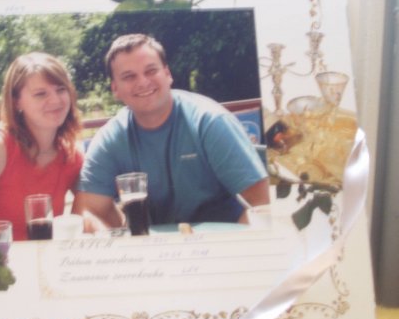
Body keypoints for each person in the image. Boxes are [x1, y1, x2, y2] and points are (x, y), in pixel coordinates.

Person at [73, 34, 269, 231]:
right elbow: (88, 211)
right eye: (129, 76)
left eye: (151, 71)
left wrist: (233, 245)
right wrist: (118, 240)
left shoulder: (210, 122)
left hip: (221, 240)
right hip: (152, 248)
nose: (143, 82)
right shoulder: (110, 139)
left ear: (167, 74)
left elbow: (264, 203)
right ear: (115, 88)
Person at [0, 52, 83, 243]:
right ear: (16, 101)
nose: (56, 100)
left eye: (61, 90)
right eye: (40, 94)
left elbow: (93, 207)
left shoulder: (71, 155)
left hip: (45, 259)